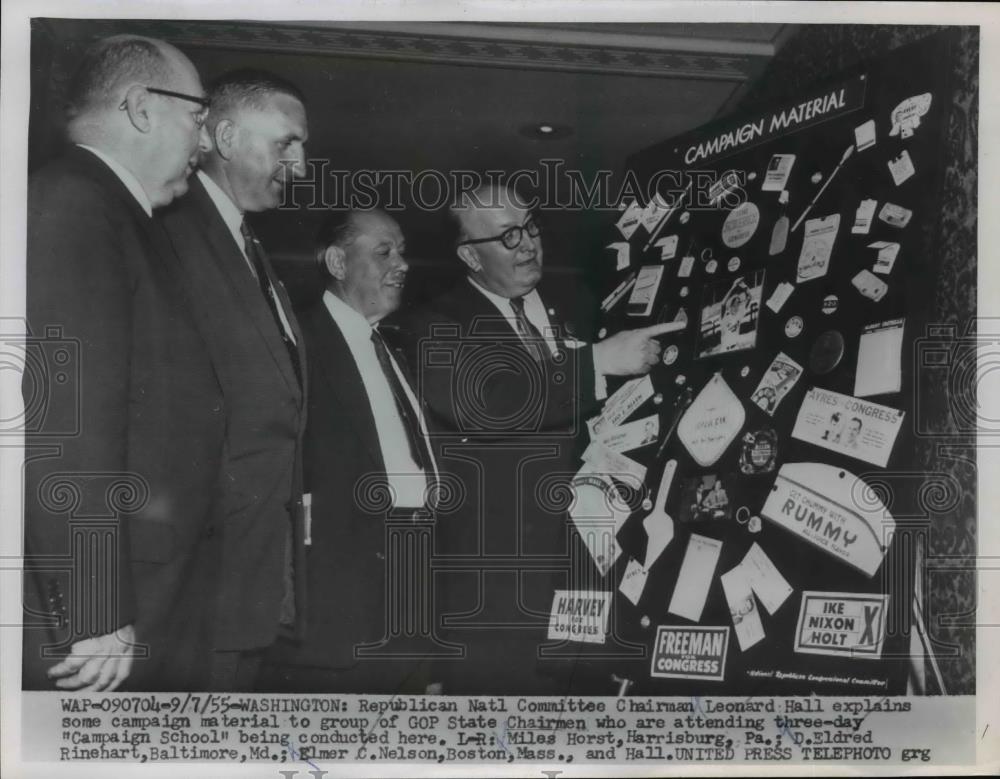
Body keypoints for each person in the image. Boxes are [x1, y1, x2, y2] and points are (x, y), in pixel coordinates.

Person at [395, 181, 677, 694]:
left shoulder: (580, 305)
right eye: (508, 237)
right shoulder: (433, 324)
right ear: (470, 256)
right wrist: (597, 361)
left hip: (591, 571)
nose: (528, 244)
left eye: (530, 227)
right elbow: (485, 402)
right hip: (500, 596)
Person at [23, 35, 222, 691]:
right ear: (141, 107)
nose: (205, 143)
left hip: (148, 587)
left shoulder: (116, 213)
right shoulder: (76, 204)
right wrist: (95, 608)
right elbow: (65, 421)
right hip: (107, 621)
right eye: (198, 116)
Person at [158, 69, 309, 690]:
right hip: (201, 585)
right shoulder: (170, 230)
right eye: (285, 144)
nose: (300, 166)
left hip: (254, 581)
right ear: (223, 137)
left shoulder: (248, 246)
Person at [258, 208, 441, 693]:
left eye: (402, 252)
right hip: (337, 611)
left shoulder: (395, 349)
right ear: (338, 263)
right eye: (384, 252)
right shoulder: (293, 343)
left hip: (411, 597)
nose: (402, 264)